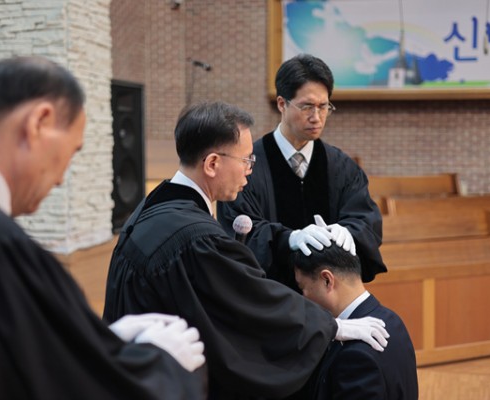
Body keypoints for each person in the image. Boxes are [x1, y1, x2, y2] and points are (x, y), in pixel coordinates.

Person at [0, 56, 205, 399]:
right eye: (72, 152)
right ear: (39, 122)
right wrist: (163, 363)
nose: (60, 179)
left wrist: (98, 340)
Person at [103, 101, 390, 399]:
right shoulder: (195, 238)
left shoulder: (152, 207)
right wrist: (333, 327)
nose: (249, 171)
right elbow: (254, 302)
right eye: (246, 160)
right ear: (212, 163)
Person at [217, 53, 386, 292]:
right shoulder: (247, 165)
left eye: (323, 107)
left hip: (329, 300)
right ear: (282, 104)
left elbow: (366, 222)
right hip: (269, 298)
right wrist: (290, 239)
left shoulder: (341, 167)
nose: (316, 117)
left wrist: (348, 233)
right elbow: (240, 231)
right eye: (307, 106)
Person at [290, 241, 418, 400]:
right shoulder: (393, 320)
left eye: (302, 288)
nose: (303, 297)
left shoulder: (354, 355)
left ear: (327, 280)